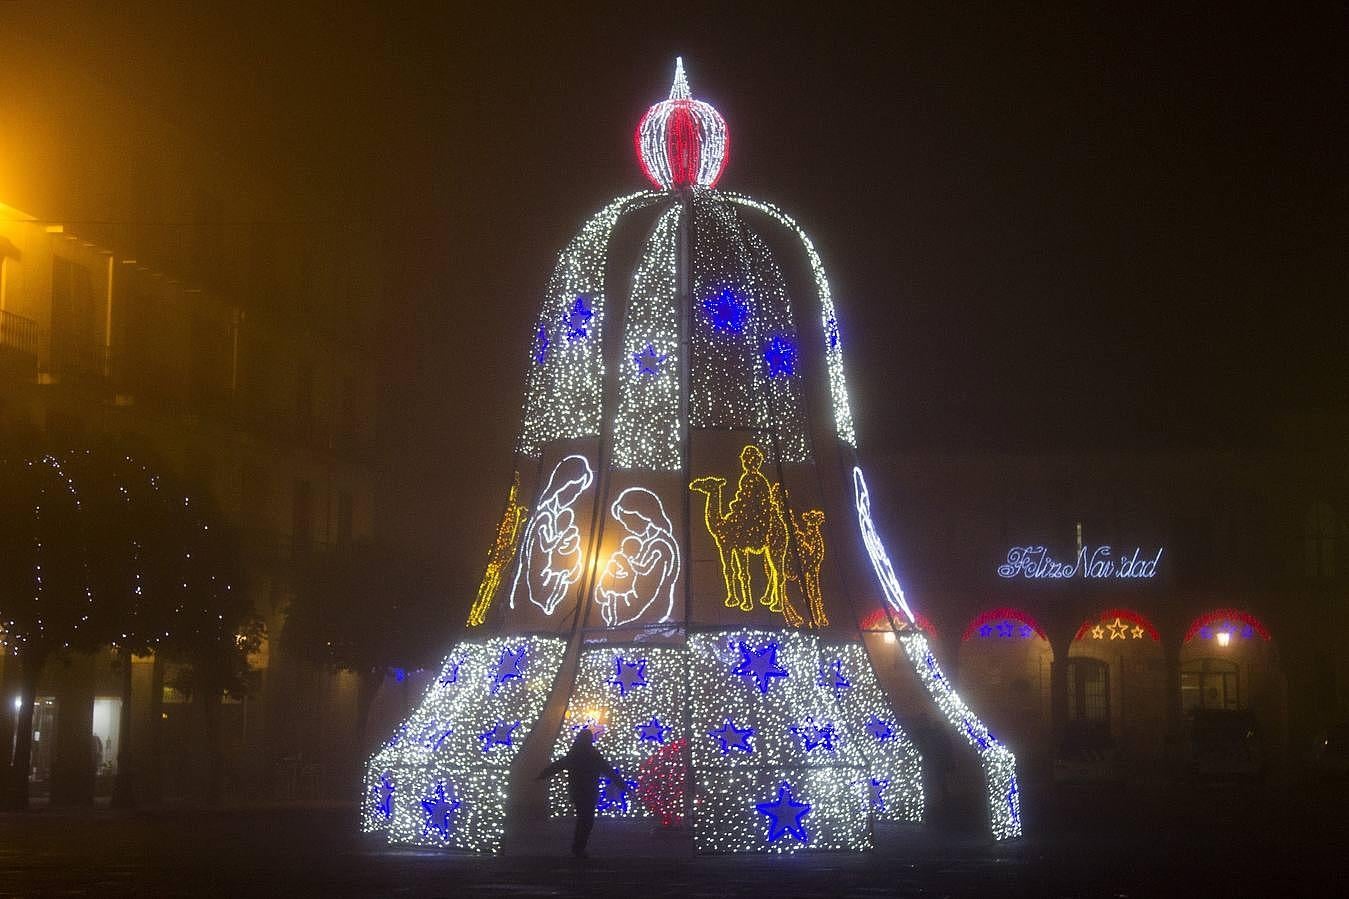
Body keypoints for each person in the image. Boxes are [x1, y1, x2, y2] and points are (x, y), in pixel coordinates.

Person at [538, 727, 620, 858]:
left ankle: (578, 847)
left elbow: (558, 765)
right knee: (586, 820)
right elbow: (607, 769)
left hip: (578, 790)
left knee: (583, 819)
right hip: (589, 790)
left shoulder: (575, 754)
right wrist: (621, 784)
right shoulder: (593, 754)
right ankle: (579, 847)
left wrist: (542, 775)